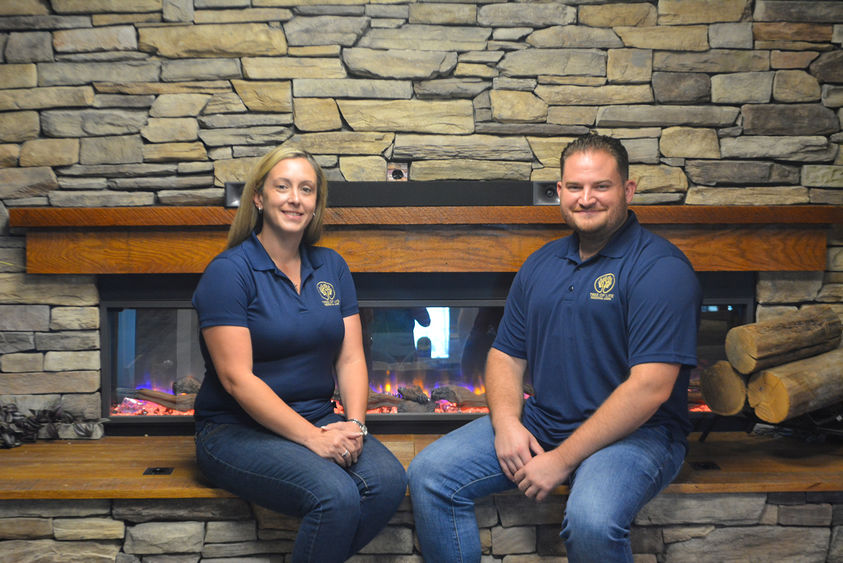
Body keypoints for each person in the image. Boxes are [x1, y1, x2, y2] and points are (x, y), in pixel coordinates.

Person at [408, 134, 702, 562]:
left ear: (628, 190)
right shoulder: (541, 263)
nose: (587, 199)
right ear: (560, 192)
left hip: (638, 437)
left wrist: (561, 459)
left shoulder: (660, 269)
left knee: (592, 521)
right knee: (430, 474)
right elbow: (505, 355)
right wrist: (508, 424)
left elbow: (650, 387)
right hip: (543, 422)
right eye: (576, 187)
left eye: (601, 186)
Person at [192, 146, 407, 562]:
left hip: (319, 415)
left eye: (306, 189)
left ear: (315, 204)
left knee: (388, 481)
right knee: (336, 496)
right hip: (234, 431)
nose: (295, 198)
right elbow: (237, 379)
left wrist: (355, 425)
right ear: (258, 197)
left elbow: (350, 358)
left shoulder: (331, 267)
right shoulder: (229, 272)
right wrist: (313, 440)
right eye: (283, 186)